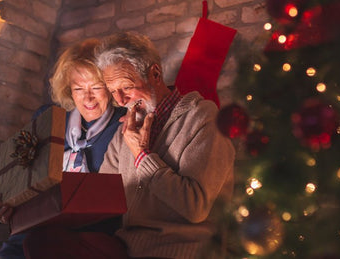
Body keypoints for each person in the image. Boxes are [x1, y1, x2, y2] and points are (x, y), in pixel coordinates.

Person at [95, 32, 236, 258]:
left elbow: (194, 207)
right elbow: (101, 196)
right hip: (127, 247)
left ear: (155, 74)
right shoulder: (127, 130)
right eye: (113, 92)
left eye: (126, 87)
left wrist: (141, 155)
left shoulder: (204, 117)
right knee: (43, 242)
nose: (120, 101)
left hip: (184, 249)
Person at [0, 38, 127, 259]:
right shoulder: (48, 118)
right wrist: (9, 204)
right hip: (37, 226)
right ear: (68, 89)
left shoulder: (123, 123)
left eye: (97, 87)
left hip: (93, 232)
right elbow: (24, 178)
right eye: (78, 88)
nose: (87, 97)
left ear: (111, 87)